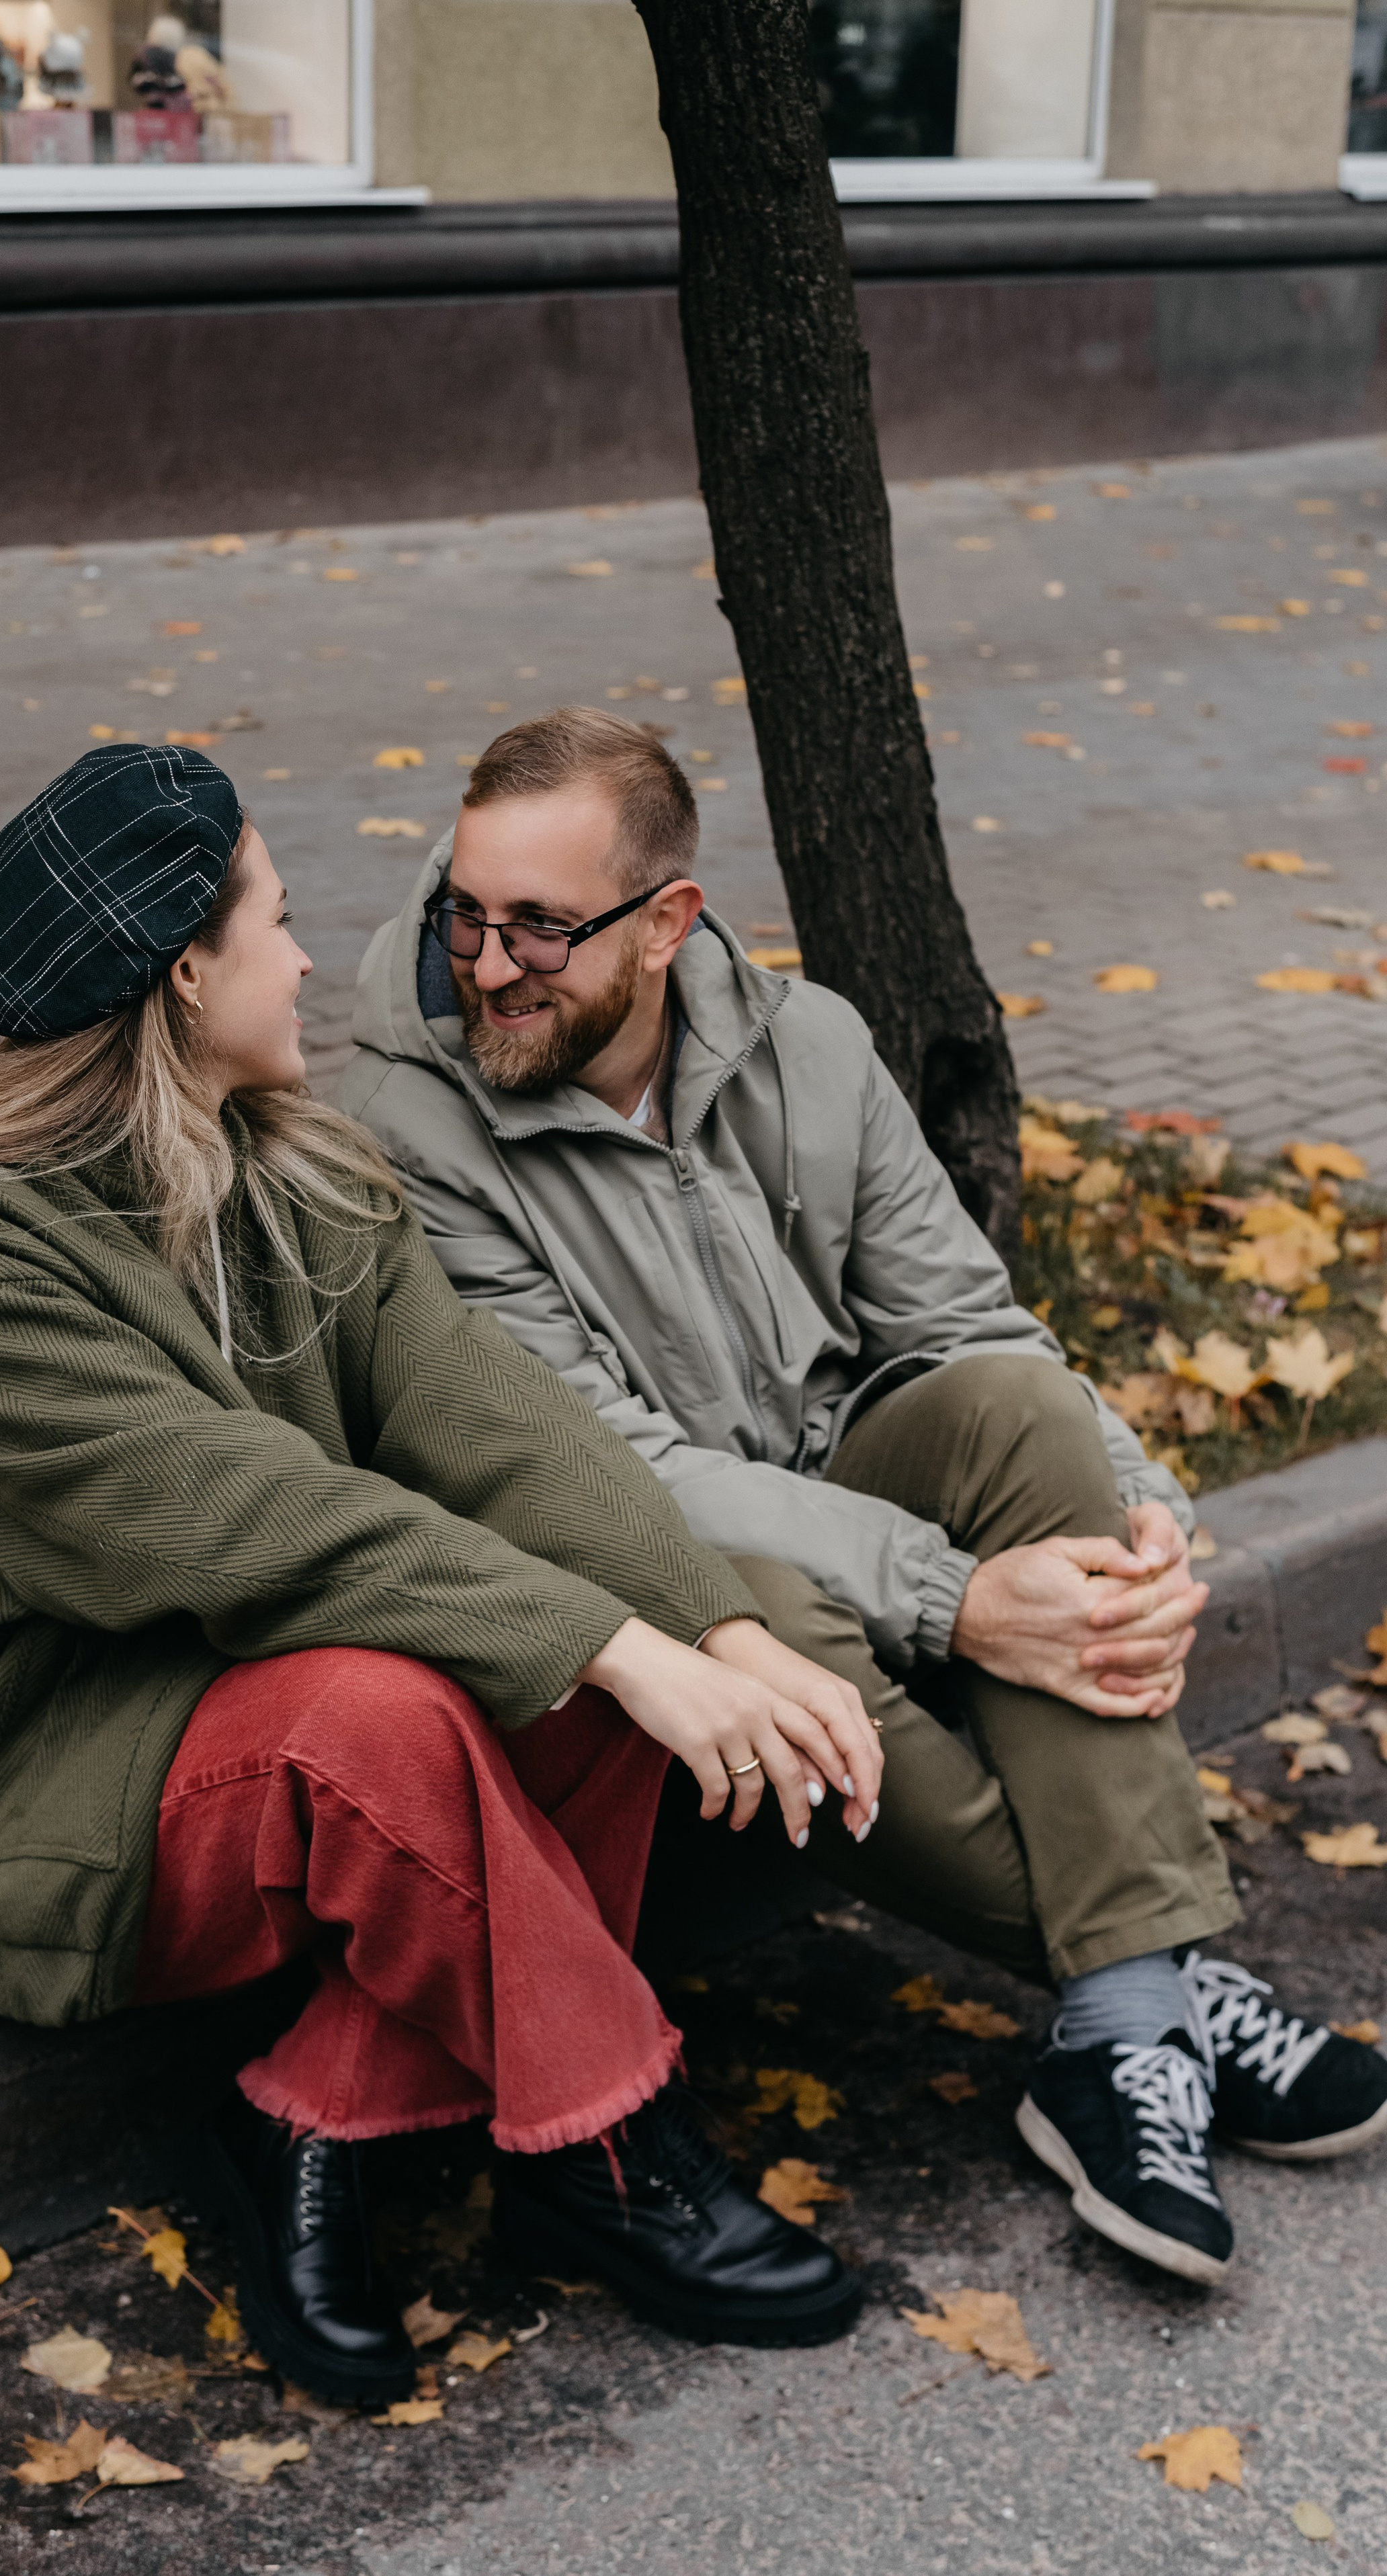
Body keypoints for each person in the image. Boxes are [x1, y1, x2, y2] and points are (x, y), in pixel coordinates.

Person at [0, 742, 900, 2408]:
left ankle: (305, 2122)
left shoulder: (299, 1172)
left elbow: (505, 1431)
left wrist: (716, 1630)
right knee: (393, 1712)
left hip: (280, 1704)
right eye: (275, 920)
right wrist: (616, 1644)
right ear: (187, 973)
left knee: (578, 1666)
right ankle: (610, 2146)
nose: (311, 959)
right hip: (54, 1782)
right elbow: (255, 1518)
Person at [341, 705, 1387, 2287]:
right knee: (771, 1618)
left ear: (664, 924)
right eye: (463, 915)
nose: (487, 966)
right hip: (631, 1559)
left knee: (1013, 1412)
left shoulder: (805, 1043)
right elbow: (601, 1466)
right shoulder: (409, 1124)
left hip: (835, 1471)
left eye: (540, 928)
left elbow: (967, 1326)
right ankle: (1146, 1989)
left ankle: (1119, 2024)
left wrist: (1145, 1520)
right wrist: (955, 1599)